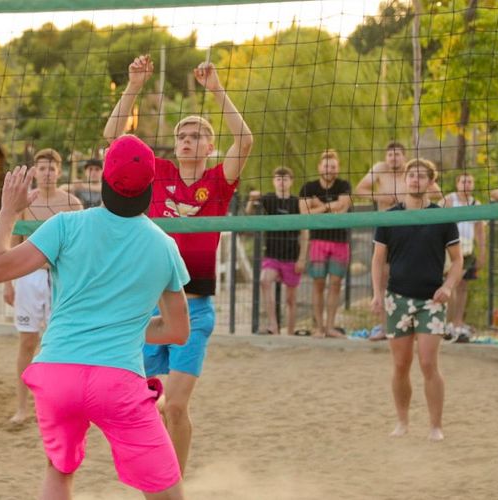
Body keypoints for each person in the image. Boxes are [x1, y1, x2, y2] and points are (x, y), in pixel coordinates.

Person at [0, 135, 190, 500]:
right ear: (149, 187)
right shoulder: (164, 246)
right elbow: (177, 330)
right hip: (118, 380)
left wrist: (9, 211)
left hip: (57, 372)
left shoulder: (65, 225)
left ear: (103, 178)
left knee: (59, 472)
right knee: (165, 492)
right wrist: (124, 328)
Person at [103, 54, 253, 475]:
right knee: (146, 404)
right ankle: (159, 467)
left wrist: (216, 90)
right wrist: (134, 85)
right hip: (149, 309)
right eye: (182, 135)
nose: (187, 140)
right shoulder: (159, 174)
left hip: (195, 307)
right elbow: (114, 139)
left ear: (209, 146)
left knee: (176, 407)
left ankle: (175, 483)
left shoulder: (218, 183)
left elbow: (245, 141)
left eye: (196, 135)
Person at [370, 158, 462, 441]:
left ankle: (435, 426)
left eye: (422, 176)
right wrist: (376, 294)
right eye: (411, 175)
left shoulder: (442, 217)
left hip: (431, 300)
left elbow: (458, 261)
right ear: (404, 179)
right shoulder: (390, 216)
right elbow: (378, 259)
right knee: (401, 364)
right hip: (397, 299)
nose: (415, 179)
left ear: (431, 182)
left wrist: (448, 286)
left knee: (428, 363)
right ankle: (402, 422)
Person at [6, 148, 83, 423]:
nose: (47, 173)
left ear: (59, 171)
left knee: (60, 342)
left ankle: (59, 403)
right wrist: (8, 283)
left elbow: (80, 247)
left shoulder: (72, 203)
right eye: (42, 168)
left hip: (61, 277)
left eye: (51, 168)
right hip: (28, 277)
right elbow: (13, 243)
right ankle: (22, 407)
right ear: (35, 172)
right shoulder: (26, 202)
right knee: (27, 342)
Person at [245, 166, 309, 335]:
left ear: (291, 182)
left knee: (291, 299)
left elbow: (305, 231)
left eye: (285, 179)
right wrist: (251, 199)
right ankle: (273, 325)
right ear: (274, 181)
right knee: (264, 280)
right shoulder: (269, 199)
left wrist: (302, 258)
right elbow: (248, 213)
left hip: (292, 255)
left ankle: (290, 332)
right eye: (278, 179)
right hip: (272, 254)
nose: (282, 182)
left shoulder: (297, 202)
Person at [299, 149, 352, 338]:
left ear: (338, 168)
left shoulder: (344, 185)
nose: (329, 169)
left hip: (340, 241)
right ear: (319, 167)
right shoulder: (308, 187)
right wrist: (330, 206)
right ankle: (319, 328)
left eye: (333, 166)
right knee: (318, 283)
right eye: (326, 166)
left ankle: (330, 326)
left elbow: (341, 209)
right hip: (318, 241)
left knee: (336, 284)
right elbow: (304, 215)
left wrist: (319, 205)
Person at [443, 173, 487, 340]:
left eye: (469, 182)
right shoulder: (449, 200)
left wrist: (482, 253)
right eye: (463, 181)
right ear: (457, 183)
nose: (466, 184)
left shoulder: (476, 204)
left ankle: (458, 321)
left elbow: (480, 232)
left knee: (462, 286)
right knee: (451, 284)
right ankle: (448, 323)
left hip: (467, 250)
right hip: (450, 249)